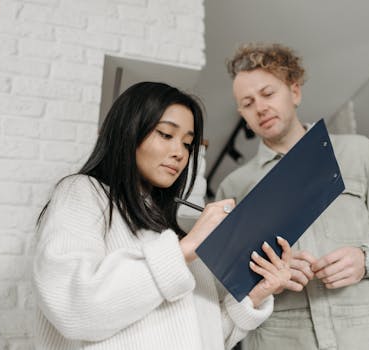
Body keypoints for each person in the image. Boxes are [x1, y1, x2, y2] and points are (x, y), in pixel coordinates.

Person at [33, 81, 295, 350]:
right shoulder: (82, 193)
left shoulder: (170, 234)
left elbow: (209, 337)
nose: (179, 153)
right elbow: (73, 308)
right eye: (166, 135)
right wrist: (185, 250)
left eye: (187, 144)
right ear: (128, 131)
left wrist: (255, 295)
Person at [217, 43, 369, 350]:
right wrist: (266, 278)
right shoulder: (233, 187)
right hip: (279, 339)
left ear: (295, 91)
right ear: (242, 114)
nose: (259, 107)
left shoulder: (359, 153)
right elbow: (225, 287)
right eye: (247, 103)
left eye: (268, 94)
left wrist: (366, 258)